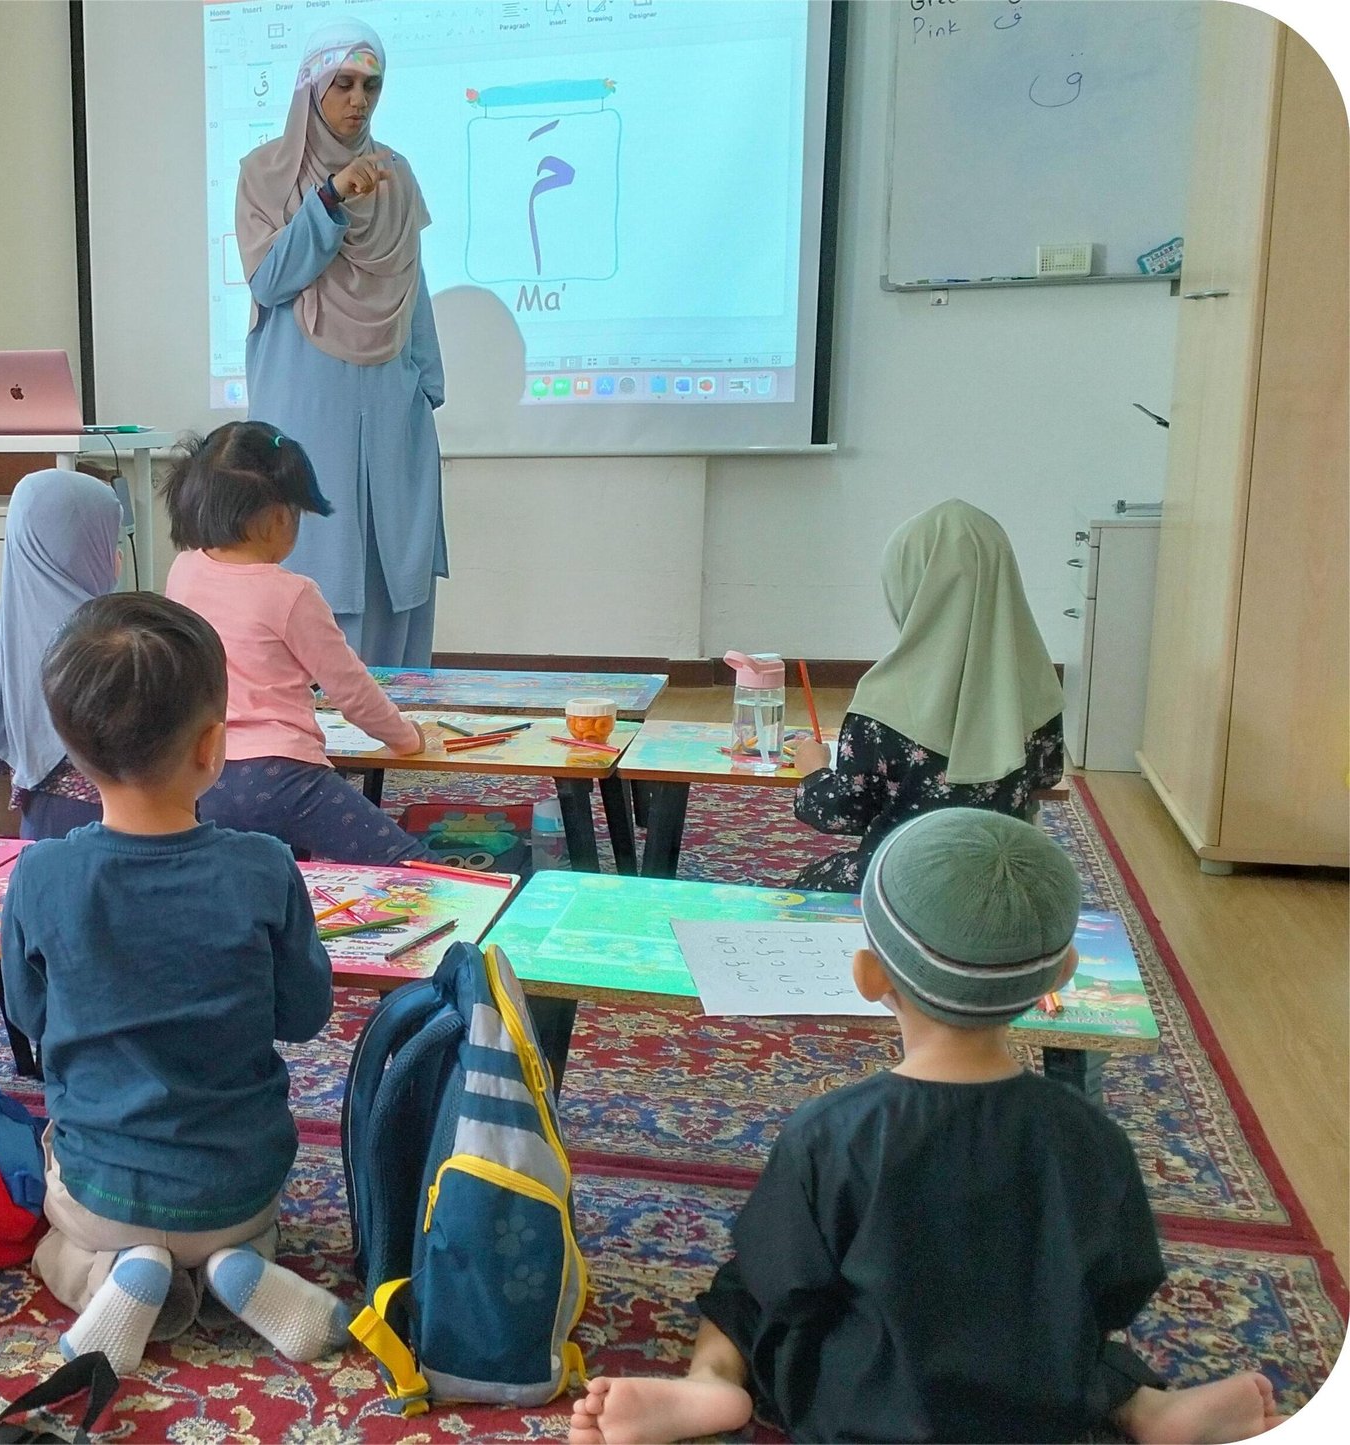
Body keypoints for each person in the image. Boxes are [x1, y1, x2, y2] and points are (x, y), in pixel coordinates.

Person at [572, 810, 1283, 1445]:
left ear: (868, 976)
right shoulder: (1090, 1133)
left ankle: (711, 1385)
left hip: (862, 1407)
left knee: (742, 1284)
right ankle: (1145, 1409)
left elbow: (785, 1280)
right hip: (1039, 1405)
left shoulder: (832, 1133)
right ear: (1061, 973)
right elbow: (1121, 1284)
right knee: (1059, 1313)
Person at [1, 591, 349, 1375]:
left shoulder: (43, 873)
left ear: (72, 747)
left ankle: (107, 1278)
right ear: (213, 746)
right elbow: (305, 1013)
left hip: (105, 1187)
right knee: (245, 1227)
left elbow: (29, 1017)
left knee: (54, 1242)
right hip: (238, 1184)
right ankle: (236, 1267)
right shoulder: (264, 865)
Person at [235, 18, 446, 668]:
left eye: (371, 86)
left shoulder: (395, 177)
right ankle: (303, 737)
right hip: (306, 401)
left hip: (391, 399)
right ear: (311, 87)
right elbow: (269, 279)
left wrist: (424, 382)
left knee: (393, 562)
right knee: (313, 553)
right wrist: (328, 198)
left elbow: (411, 286)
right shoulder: (267, 173)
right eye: (343, 84)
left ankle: (385, 739)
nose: (358, 99)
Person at [162, 422, 431, 864]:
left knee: (259, 880)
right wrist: (404, 738)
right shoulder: (291, 593)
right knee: (413, 869)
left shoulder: (185, 569)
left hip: (205, 774)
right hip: (283, 777)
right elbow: (350, 689)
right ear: (279, 517)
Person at [786, 499, 1065, 892]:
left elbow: (840, 813)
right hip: (1003, 881)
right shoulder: (1035, 684)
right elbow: (1047, 774)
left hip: (902, 883)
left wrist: (813, 770)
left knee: (803, 892)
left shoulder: (884, 702)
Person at [0, 468, 123, 839]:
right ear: (81, 547)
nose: (117, 553)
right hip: (118, 825)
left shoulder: (6, 630)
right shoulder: (110, 639)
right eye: (108, 540)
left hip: (38, 824)